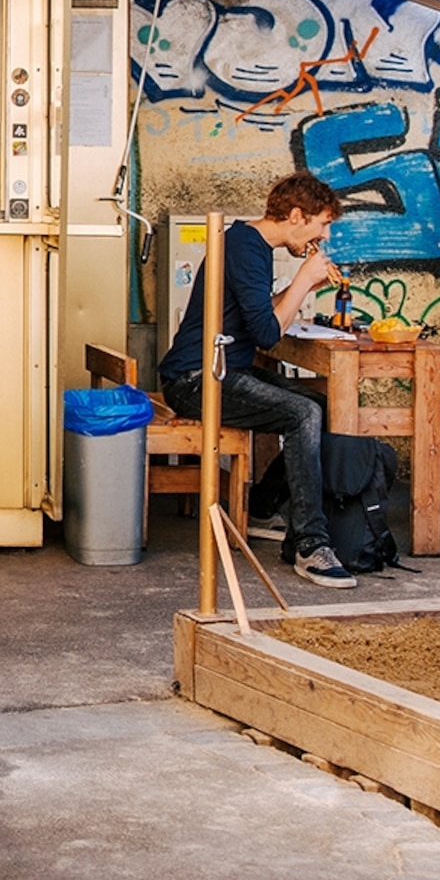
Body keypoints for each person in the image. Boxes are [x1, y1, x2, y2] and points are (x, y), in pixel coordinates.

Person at [155, 172, 355, 588]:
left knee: (318, 406)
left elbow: (260, 315)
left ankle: (262, 508)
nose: (325, 235)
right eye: (322, 224)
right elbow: (267, 334)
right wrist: (304, 281)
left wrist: (302, 285)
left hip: (226, 370)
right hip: (196, 378)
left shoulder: (252, 244)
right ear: (297, 216)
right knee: (301, 413)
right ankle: (310, 545)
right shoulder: (247, 249)